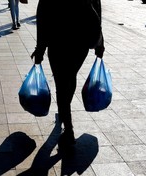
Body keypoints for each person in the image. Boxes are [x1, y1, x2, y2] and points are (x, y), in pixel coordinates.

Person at [31, 0, 105, 148]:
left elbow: (43, 15)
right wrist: (100, 43)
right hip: (80, 43)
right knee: (70, 78)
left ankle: (68, 128)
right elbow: (97, 11)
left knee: (62, 83)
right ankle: (64, 114)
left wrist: (40, 50)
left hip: (58, 41)